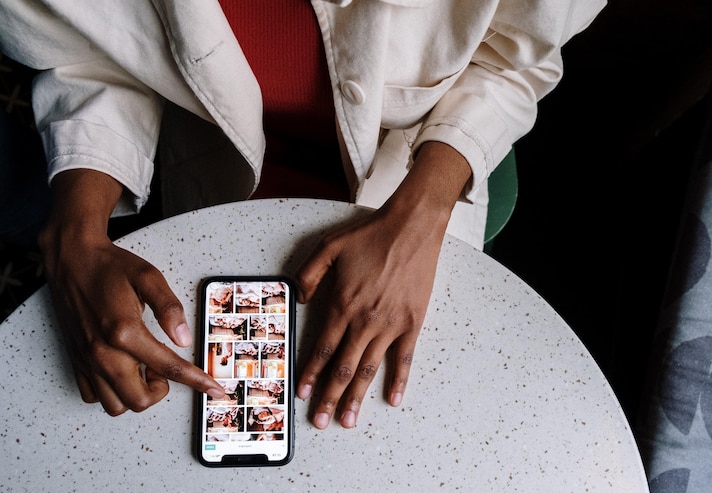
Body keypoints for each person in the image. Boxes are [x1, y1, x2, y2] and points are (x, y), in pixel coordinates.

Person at [0, 0, 606, 429]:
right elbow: (100, 54)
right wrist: (76, 230)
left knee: (391, 429)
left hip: (420, 167)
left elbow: (513, 60)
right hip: (215, 157)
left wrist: (418, 222)